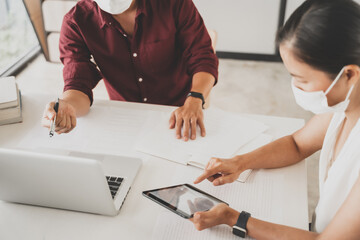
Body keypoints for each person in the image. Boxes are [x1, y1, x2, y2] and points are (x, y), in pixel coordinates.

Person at [191, 0, 360, 239]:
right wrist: (239, 163)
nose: (295, 87)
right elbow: (297, 144)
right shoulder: (345, 106)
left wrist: (232, 217)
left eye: (301, 79)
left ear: (349, 74)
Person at [41, 0, 218, 141]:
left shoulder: (173, 4)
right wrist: (66, 106)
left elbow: (202, 57)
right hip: (126, 115)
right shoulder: (77, 21)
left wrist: (195, 98)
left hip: (178, 108)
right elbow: (78, 84)